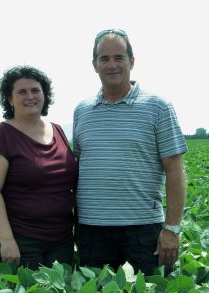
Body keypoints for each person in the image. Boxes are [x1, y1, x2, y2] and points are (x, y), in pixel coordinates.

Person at [73, 29, 188, 276]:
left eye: (119, 57)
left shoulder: (157, 106)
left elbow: (175, 170)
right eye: (104, 59)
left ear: (131, 61)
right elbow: (78, 168)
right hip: (92, 231)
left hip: (143, 231)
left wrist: (172, 229)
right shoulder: (82, 111)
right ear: (94, 65)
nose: (111, 65)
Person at [0, 65, 78, 271]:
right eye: (21, 92)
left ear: (44, 94)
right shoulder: (1, 136)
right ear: (9, 99)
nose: (29, 96)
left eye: (35, 90)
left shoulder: (58, 130)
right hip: (20, 240)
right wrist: (6, 241)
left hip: (61, 239)